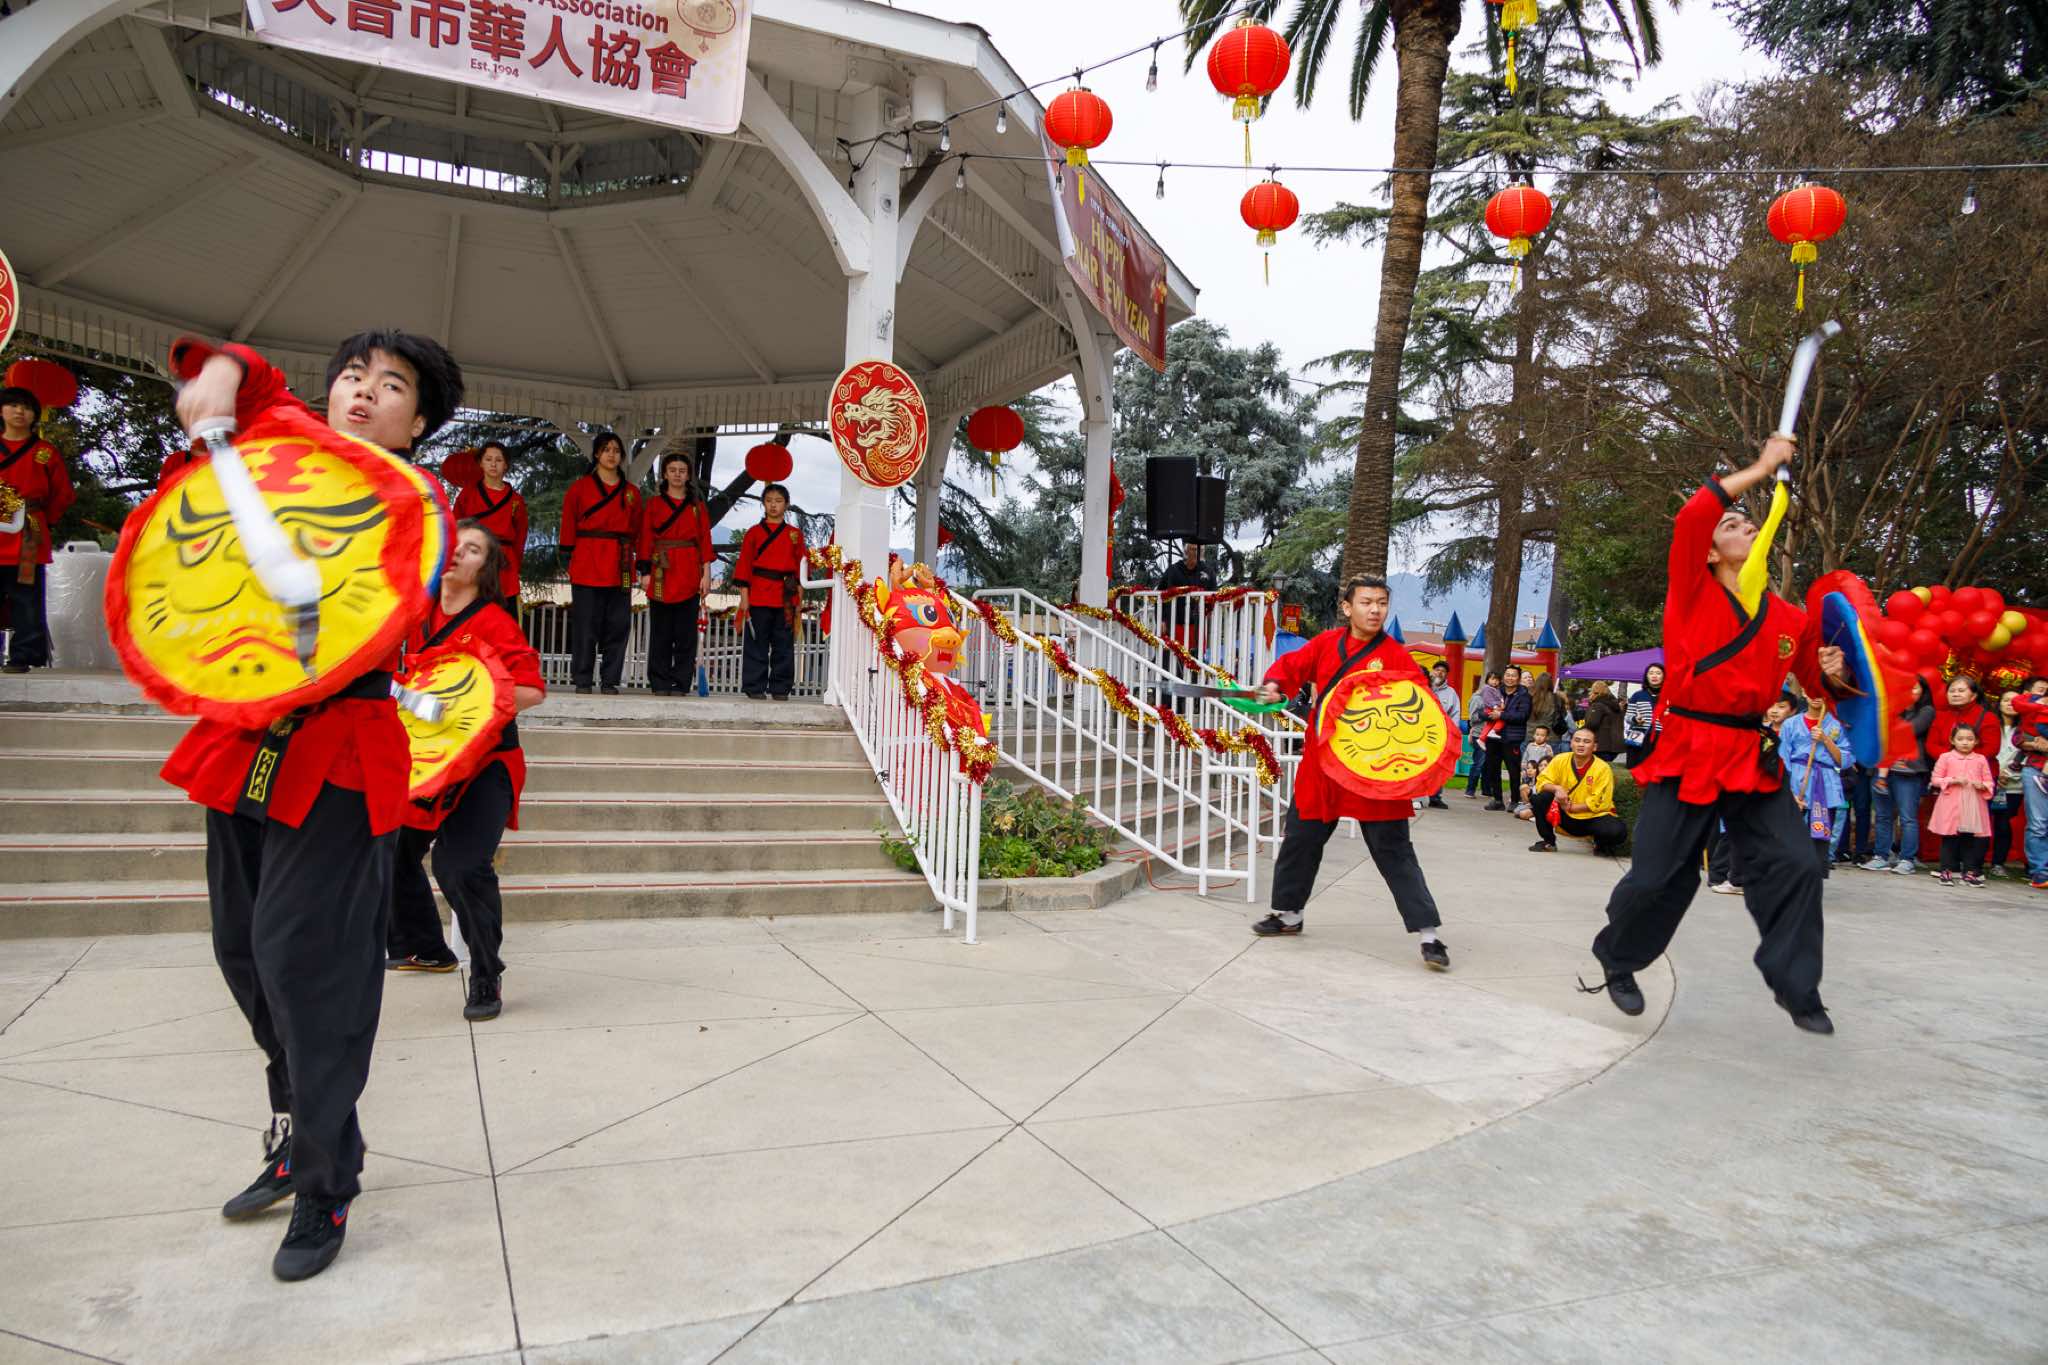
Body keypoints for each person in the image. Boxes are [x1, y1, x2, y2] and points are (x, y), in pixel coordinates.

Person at [161, 329, 464, 1281]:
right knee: (242, 949)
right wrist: (220, 376)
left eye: (393, 386)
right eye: (353, 377)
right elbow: (246, 376)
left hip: (339, 749)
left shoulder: (416, 506)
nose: (364, 392)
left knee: (307, 962)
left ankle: (327, 1182)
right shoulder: (288, 451)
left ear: (419, 423)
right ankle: (300, 1127)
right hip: (246, 736)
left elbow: (366, 609)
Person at [1580, 435, 1852, 1036]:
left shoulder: (1790, 619)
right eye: (1732, 524)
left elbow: (1820, 686)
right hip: (1689, 748)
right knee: (1657, 878)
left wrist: (1836, 671)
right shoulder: (1692, 590)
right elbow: (1692, 516)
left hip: (1751, 755)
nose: (1745, 527)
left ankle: (1797, 987)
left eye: (1750, 524)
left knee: (1797, 865)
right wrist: (1762, 467)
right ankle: (1618, 957)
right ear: (1708, 550)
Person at [1250, 575, 1451, 969]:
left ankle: (1429, 935)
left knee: (1394, 850)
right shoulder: (1325, 644)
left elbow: (1419, 706)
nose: (1375, 610)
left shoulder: (1396, 655)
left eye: (1381, 603)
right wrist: (1273, 685)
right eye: (1366, 602)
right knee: (1301, 839)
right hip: (1323, 765)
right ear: (1347, 607)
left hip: (1374, 769)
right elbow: (1291, 667)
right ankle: (1289, 915)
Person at [385, 522, 545, 1013]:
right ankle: (424, 948)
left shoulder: (495, 623)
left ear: (485, 568)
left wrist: (463, 704)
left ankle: (486, 972)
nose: (456, 554)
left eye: (471, 550)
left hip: (485, 764)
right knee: (389, 848)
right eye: (453, 545)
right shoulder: (415, 614)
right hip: (427, 762)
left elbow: (531, 690)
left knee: (460, 867)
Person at [0, 385, 76, 673]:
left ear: (35, 415)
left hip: (28, 532)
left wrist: (47, 520)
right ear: (1, 411)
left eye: (27, 407)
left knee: (26, 595)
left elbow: (63, 493)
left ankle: (24, 655)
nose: (20, 411)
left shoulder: (44, 452)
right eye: (13, 405)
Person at [558, 431, 640, 695]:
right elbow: (568, 524)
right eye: (606, 449)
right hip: (587, 560)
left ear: (622, 456)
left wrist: (641, 563)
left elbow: (638, 530)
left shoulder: (631, 493)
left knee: (618, 625)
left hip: (620, 563)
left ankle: (610, 680)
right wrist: (567, 556)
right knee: (585, 625)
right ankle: (582, 679)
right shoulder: (579, 488)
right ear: (596, 454)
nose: (611, 455)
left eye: (616, 450)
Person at [637, 453, 715, 697]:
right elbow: (645, 538)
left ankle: (681, 682)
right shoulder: (653, 505)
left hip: (689, 571)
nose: (677, 475)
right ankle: (659, 681)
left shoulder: (697, 507)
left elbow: (705, 540)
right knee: (660, 631)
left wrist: (706, 573)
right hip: (661, 571)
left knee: (685, 634)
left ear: (688, 475)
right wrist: (645, 572)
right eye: (672, 470)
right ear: (665, 474)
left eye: (682, 470)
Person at [732, 483, 808, 700]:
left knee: (783, 644)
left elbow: (802, 570)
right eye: (769, 501)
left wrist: (799, 600)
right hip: (758, 594)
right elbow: (744, 567)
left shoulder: (795, 534)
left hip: (786, 596)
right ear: (763, 504)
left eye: (778, 501)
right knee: (756, 643)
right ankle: (754, 687)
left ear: (787, 504)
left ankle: (780, 688)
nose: (773, 505)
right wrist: (744, 599)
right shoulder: (753, 533)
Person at [1864, 676, 1936, 875]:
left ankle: (1907, 859)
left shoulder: (1926, 711)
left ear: (1923, 691)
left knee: (1907, 818)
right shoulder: (1889, 709)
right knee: (1882, 816)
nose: (1909, 691)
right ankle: (1881, 856)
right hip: (1881, 769)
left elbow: (1910, 730)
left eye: (1914, 688)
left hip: (1908, 771)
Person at [1529, 726, 1629, 855]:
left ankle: (1600, 844)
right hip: (1564, 816)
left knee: (1617, 831)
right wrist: (1557, 788)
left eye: (1586, 742)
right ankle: (1549, 841)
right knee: (1540, 798)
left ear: (1594, 747)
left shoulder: (1602, 768)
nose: (1581, 744)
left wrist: (1571, 807)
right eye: (1577, 740)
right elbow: (1542, 781)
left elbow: (1600, 801)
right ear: (1571, 743)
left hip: (1591, 818)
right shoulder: (1560, 760)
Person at [451, 441, 528, 605]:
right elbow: (455, 527)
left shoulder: (516, 500)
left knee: (503, 612)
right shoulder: (468, 494)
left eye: (498, 460)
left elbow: (520, 537)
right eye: (488, 459)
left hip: (504, 561)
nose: (493, 464)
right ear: (481, 463)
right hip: (473, 558)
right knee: (470, 611)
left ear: (506, 465)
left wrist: (515, 565)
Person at [1779, 689, 1845, 874]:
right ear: (1804, 692)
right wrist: (1789, 790)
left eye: (1821, 693)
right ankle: (1789, 875)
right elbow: (1782, 758)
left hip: (1825, 782)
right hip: (1797, 779)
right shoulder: (1790, 724)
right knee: (1790, 831)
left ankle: (1816, 875)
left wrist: (1825, 740)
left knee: (1820, 834)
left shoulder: (1837, 725)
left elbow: (1845, 759)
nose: (1816, 696)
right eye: (1811, 691)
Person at [1928, 723, 1995, 888]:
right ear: (1952, 740)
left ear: (1976, 741)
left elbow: (1989, 781)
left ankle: (1969, 873)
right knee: (1949, 838)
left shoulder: (1980, 759)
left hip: (1973, 804)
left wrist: (1983, 785)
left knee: (1969, 839)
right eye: (1960, 739)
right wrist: (1952, 780)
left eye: (1970, 739)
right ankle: (1946, 871)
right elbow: (1935, 779)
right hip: (1951, 803)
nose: (1965, 742)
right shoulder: (1946, 757)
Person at [2011, 677, 2048, 889]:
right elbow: (2018, 738)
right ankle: (2040, 872)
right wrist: (2034, 742)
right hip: (2036, 768)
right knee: (2038, 824)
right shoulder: (2035, 708)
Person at [1985, 691, 2025, 878]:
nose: (2010, 704)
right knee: (1982, 821)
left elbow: (2025, 755)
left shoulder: (2026, 728)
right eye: (2006, 700)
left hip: (2012, 785)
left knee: (2003, 823)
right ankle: (1973, 860)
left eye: (2015, 701)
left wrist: (2006, 774)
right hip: (1987, 780)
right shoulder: (1990, 724)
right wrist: (1995, 772)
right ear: (1999, 703)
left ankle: (1998, 863)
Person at [1484, 665, 1532, 811]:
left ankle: (1515, 800)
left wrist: (1502, 715)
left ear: (1518, 678)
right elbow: (1482, 710)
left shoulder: (1524, 696)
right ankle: (1497, 799)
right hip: (1493, 737)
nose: (1510, 678)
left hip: (1512, 738)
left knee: (1513, 770)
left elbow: (1522, 716)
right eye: (1507, 675)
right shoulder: (1495, 691)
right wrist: (1488, 715)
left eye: (1513, 675)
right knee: (1493, 768)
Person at [1427, 661, 1458, 809]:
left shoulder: (1451, 693)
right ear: (1432, 671)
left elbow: (1455, 715)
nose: (1439, 673)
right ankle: (1413, 796)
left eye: (1443, 671)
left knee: (1438, 767)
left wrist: (1451, 733)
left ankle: (1435, 796)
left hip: (1441, 736)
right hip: (1422, 734)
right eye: (1437, 669)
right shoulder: (1424, 687)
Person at [1622, 663, 1665, 768]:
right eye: (1651, 673)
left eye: (1658, 673)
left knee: (1658, 769)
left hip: (1662, 738)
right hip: (1639, 737)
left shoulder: (1670, 695)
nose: (1654, 676)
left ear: (1664, 676)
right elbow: (1627, 717)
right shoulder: (1638, 695)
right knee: (1637, 768)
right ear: (1646, 676)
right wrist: (1635, 719)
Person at [1466, 671, 1501, 799]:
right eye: (1492, 679)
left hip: (1491, 734)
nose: (1495, 682)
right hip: (1479, 733)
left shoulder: (1497, 696)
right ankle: (1470, 789)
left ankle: (1486, 789)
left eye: (1497, 680)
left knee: (1488, 763)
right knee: (1479, 762)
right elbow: (1473, 718)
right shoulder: (1478, 698)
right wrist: (1487, 716)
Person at [1583, 680, 1627, 761]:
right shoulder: (1615, 705)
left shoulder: (1598, 705)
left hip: (1601, 745)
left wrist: (1579, 730)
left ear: (1595, 692)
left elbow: (1592, 723)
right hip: (1616, 745)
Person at [1519, 724, 1556, 806]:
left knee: (1536, 786)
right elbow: (1525, 758)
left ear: (1547, 737)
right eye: (1537, 734)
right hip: (1529, 770)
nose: (1539, 737)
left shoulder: (1547, 747)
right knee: (1525, 784)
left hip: (1540, 772)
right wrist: (1524, 769)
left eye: (1542, 735)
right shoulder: (1530, 746)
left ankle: (1536, 801)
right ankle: (1525, 801)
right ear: (1534, 735)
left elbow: (1550, 761)